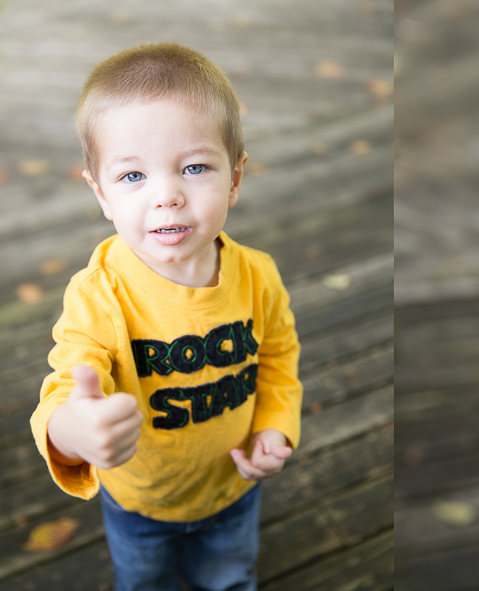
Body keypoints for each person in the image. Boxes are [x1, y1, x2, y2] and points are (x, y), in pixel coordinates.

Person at [28, 42, 302, 591]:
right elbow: (66, 383)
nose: (167, 196)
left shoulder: (257, 276)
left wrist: (276, 426)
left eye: (195, 167)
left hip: (233, 488)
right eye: (133, 177)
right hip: (140, 505)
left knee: (228, 579)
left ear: (236, 178)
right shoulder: (100, 296)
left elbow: (277, 357)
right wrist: (72, 430)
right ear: (100, 192)